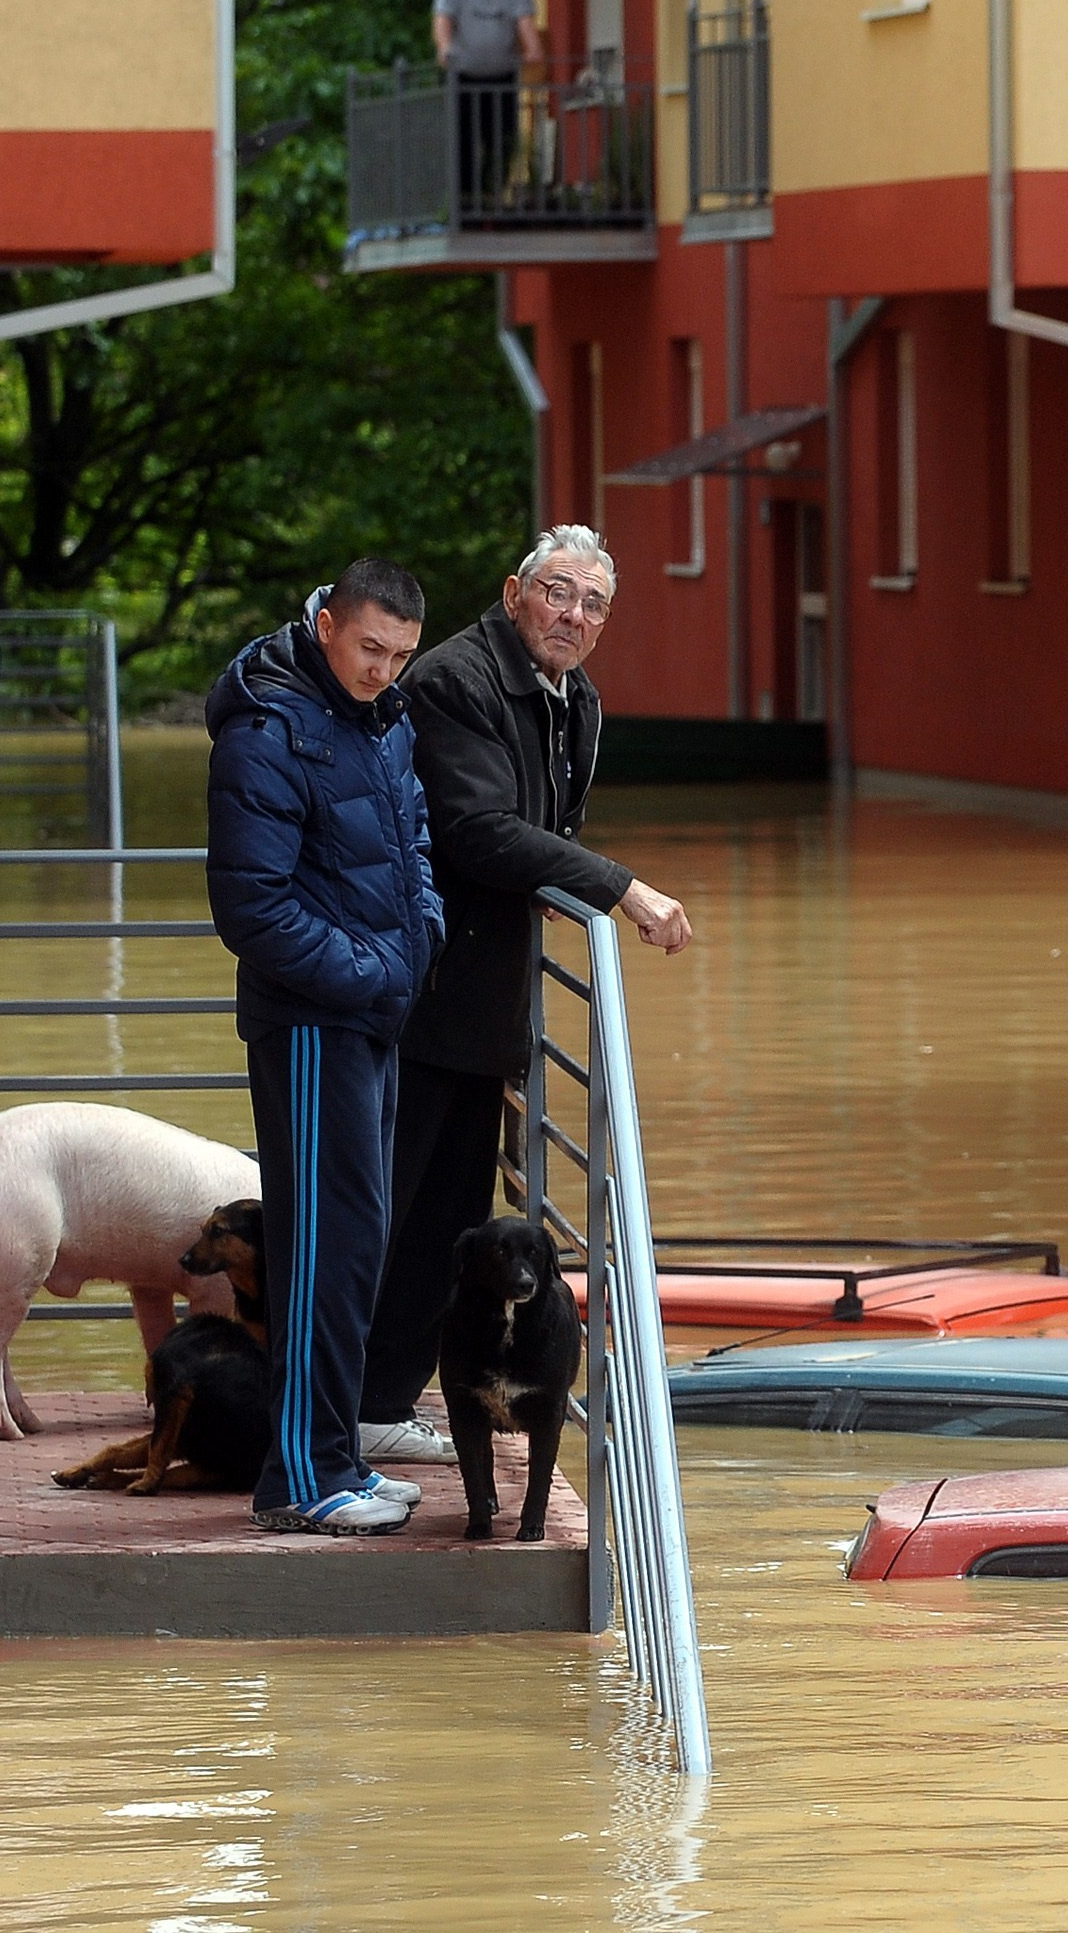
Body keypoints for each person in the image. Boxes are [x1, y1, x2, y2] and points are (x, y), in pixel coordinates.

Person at [355, 526, 690, 1463]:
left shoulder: (574, 699)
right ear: (515, 593)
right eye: (557, 593)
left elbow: (540, 826)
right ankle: (331, 1408)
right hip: (415, 991)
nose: (573, 616)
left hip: (484, 1002)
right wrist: (620, 889)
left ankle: (382, 1403)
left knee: (452, 1223)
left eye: (593, 604)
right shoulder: (457, 680)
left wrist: (556, 880)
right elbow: (478, 831)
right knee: (385, 1212)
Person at [205, 558, 446, 1535]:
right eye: (368, 647)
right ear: (326, 622)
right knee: (318, 1251)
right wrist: (373, 974)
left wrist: (417, 943)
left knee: (356, 1247)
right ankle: (302, 1479)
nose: (382, 669)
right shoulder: (266, 733)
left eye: (400, 655)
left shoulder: (380, 718)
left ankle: (335, 1457)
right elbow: (251, 907)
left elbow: (414, 849)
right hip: (311, 1027)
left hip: (371, 1014)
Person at [432, 0, 540, 210]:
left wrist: (532, 49)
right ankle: (465, 200)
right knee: (464, 138)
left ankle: (494, 195)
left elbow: (524, 21)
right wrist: (444, 48)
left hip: (502, 77)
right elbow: (443, 19)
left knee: (502, 138)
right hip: (464, 76)